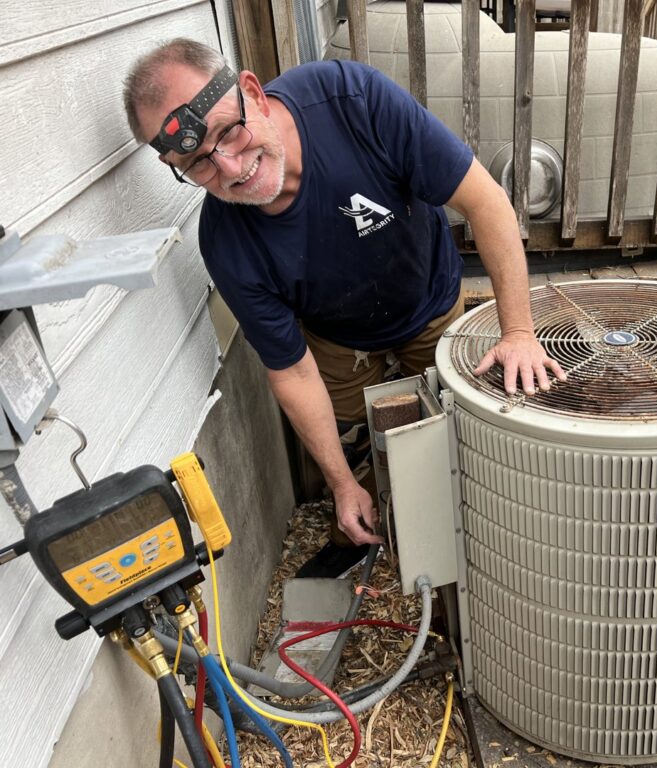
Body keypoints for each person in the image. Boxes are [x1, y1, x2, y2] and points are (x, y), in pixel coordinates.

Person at [123, 39, 565, 576]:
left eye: (229, 132)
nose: (231, 168)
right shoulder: (225, 242)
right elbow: (291, 370)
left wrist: (518, 332)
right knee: (351, 441)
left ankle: (460, 520)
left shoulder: (354, 101)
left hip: (426, 295)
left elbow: (485, 201)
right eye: (198, 164)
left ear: (252, 93)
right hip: (336, 334)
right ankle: (362, 520)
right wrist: (340, 484)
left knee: (454, 417)